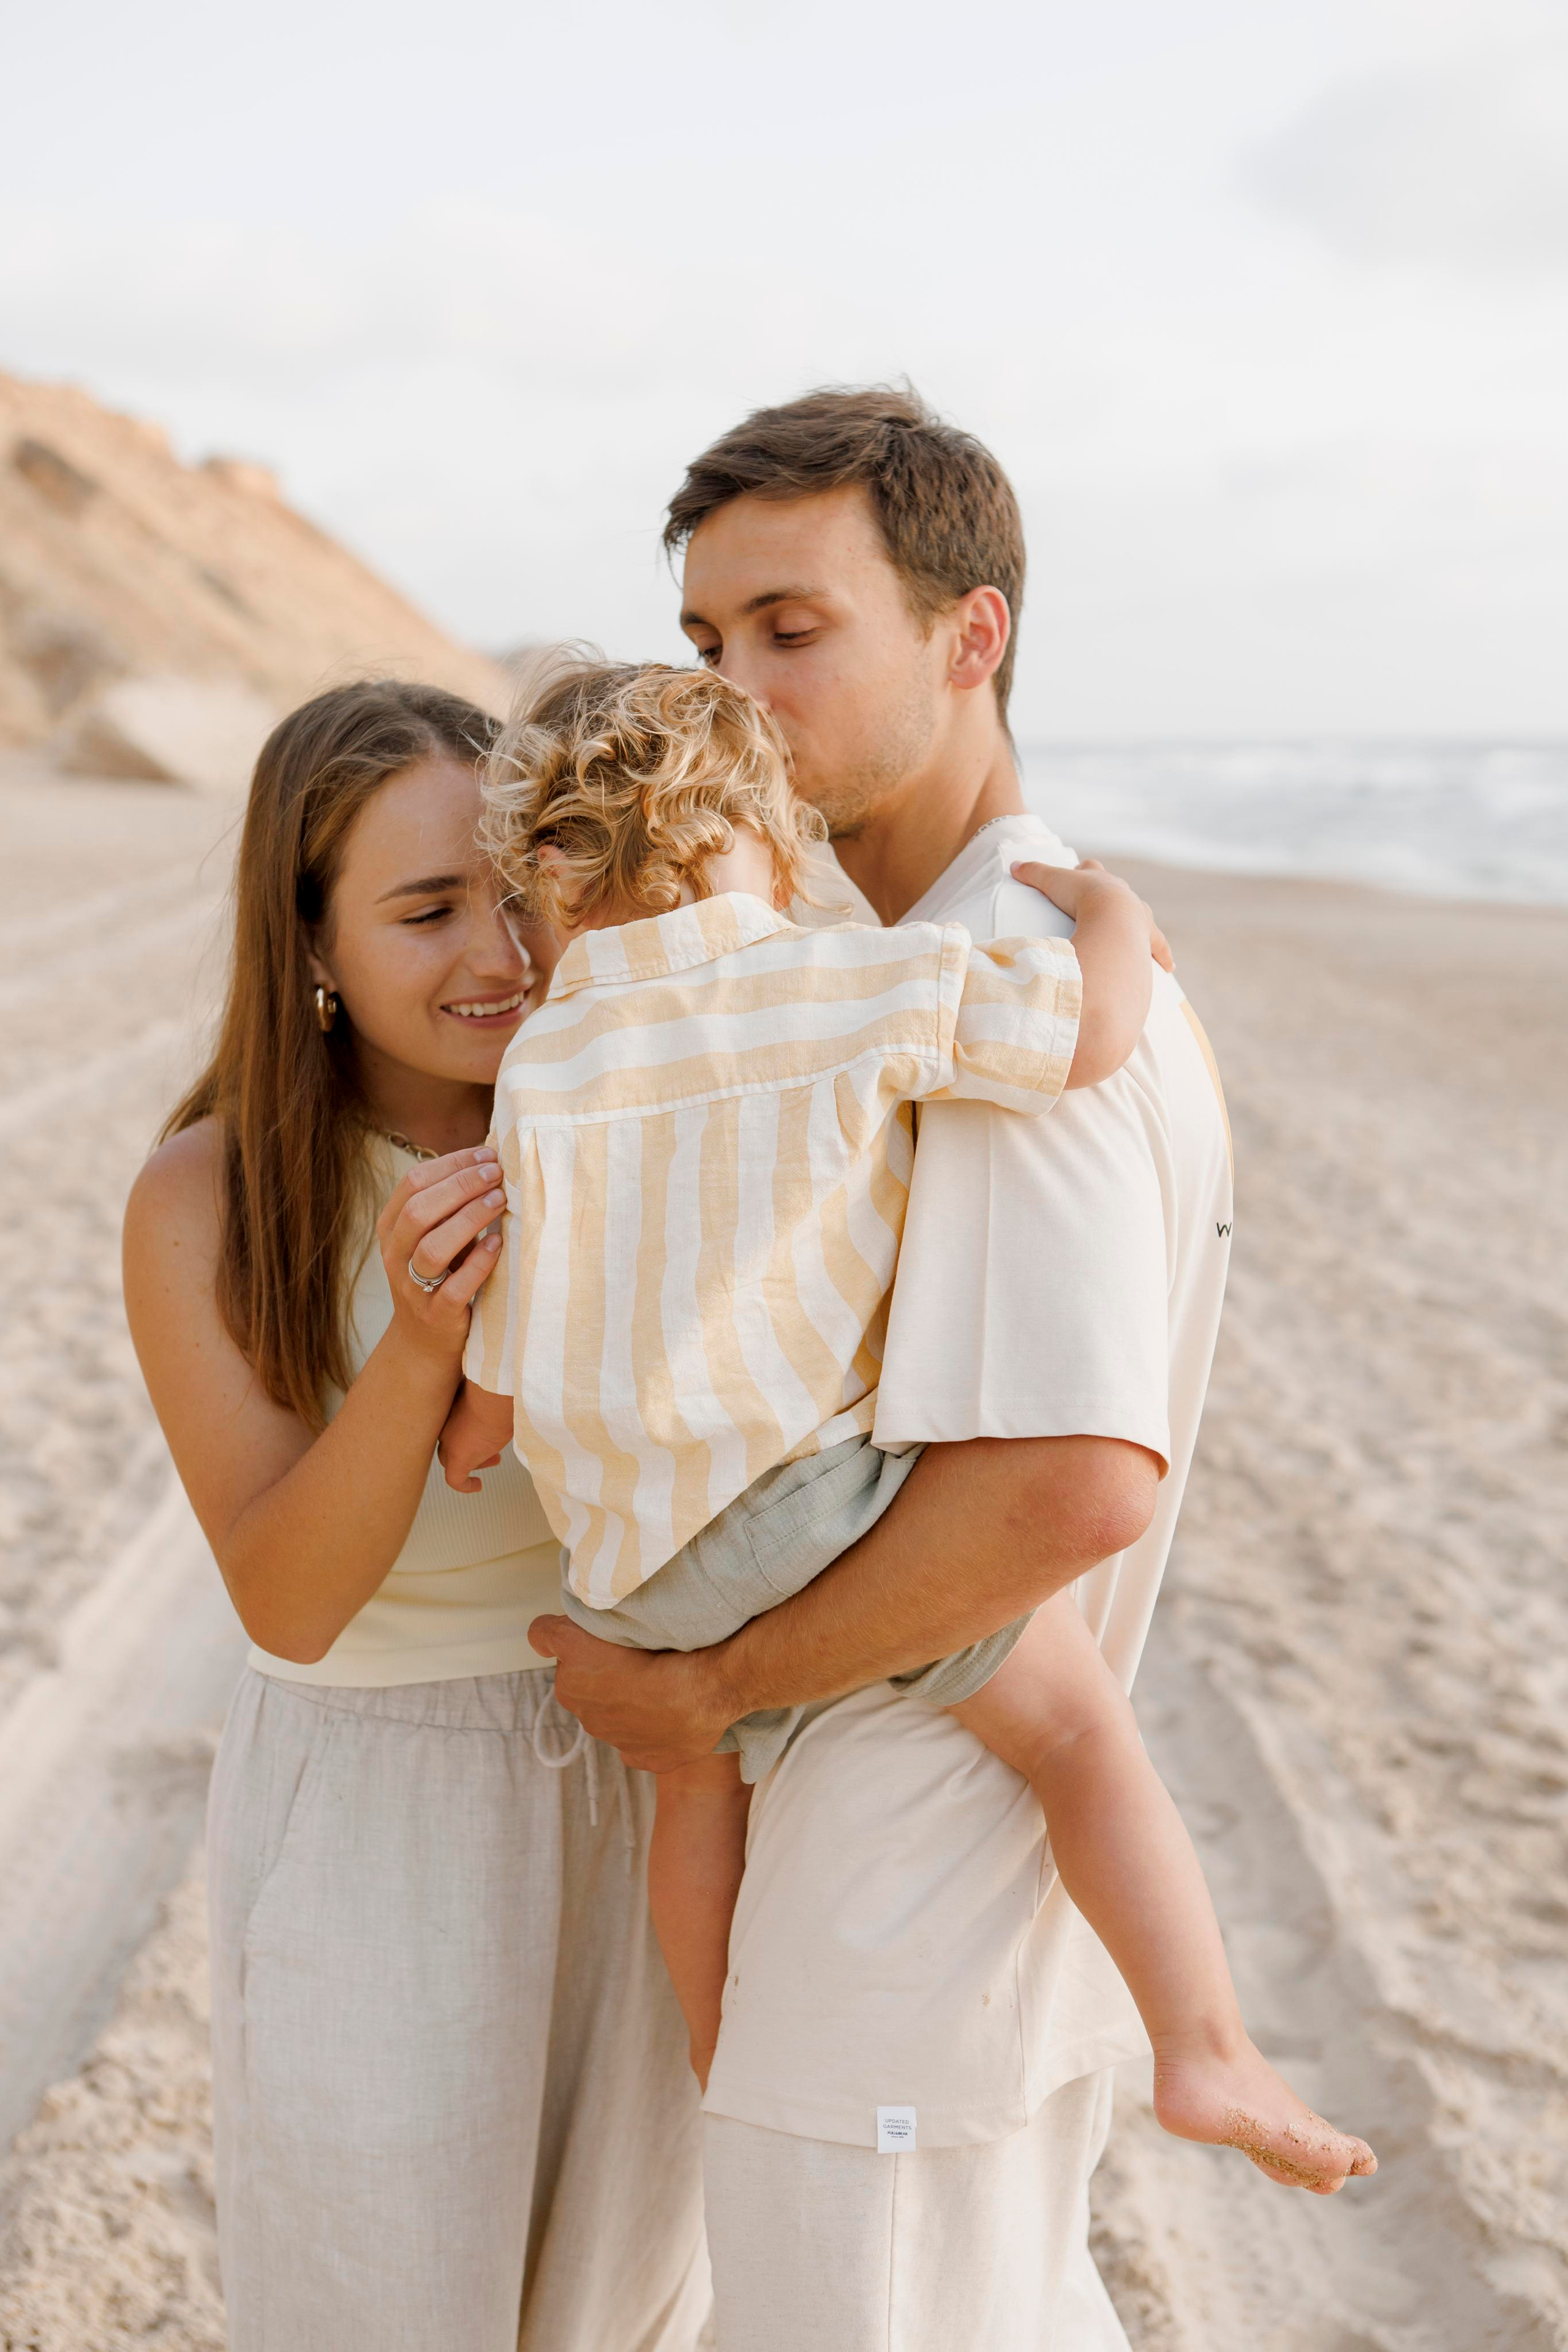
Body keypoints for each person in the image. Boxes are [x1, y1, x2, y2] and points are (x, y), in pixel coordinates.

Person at [519, 388, 1320, 2348]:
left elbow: (1068, 1487)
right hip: (906, 1899)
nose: (737, 688)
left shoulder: (989, 984)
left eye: (794, 629)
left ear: (974, 639)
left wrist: (698, 1687)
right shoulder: (891, 980)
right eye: (709, 644)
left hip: (902, 1909)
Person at [439, 654, 1375, 2209]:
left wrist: (478, 1427)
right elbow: (1076, 1036)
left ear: (546, 872)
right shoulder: (830, 979)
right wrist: (1114, 924)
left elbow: (522, 1313)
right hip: (807, 1505)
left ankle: (721, 2053)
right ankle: (1204, 2048)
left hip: (628, 1555)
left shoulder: (546, 1061)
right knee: (1076, 1731)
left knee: (695, 1790)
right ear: (751, 831)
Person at [121, 681, 709, 2352]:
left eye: (521, 884)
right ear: (311, 944)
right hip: (377, 1797)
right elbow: (287, 1602)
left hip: (644, 1767)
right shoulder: (212, 1196)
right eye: (426, 909)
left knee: (623, 2309)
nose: (502, 951)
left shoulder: (626, 1113)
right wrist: (429, 1342)